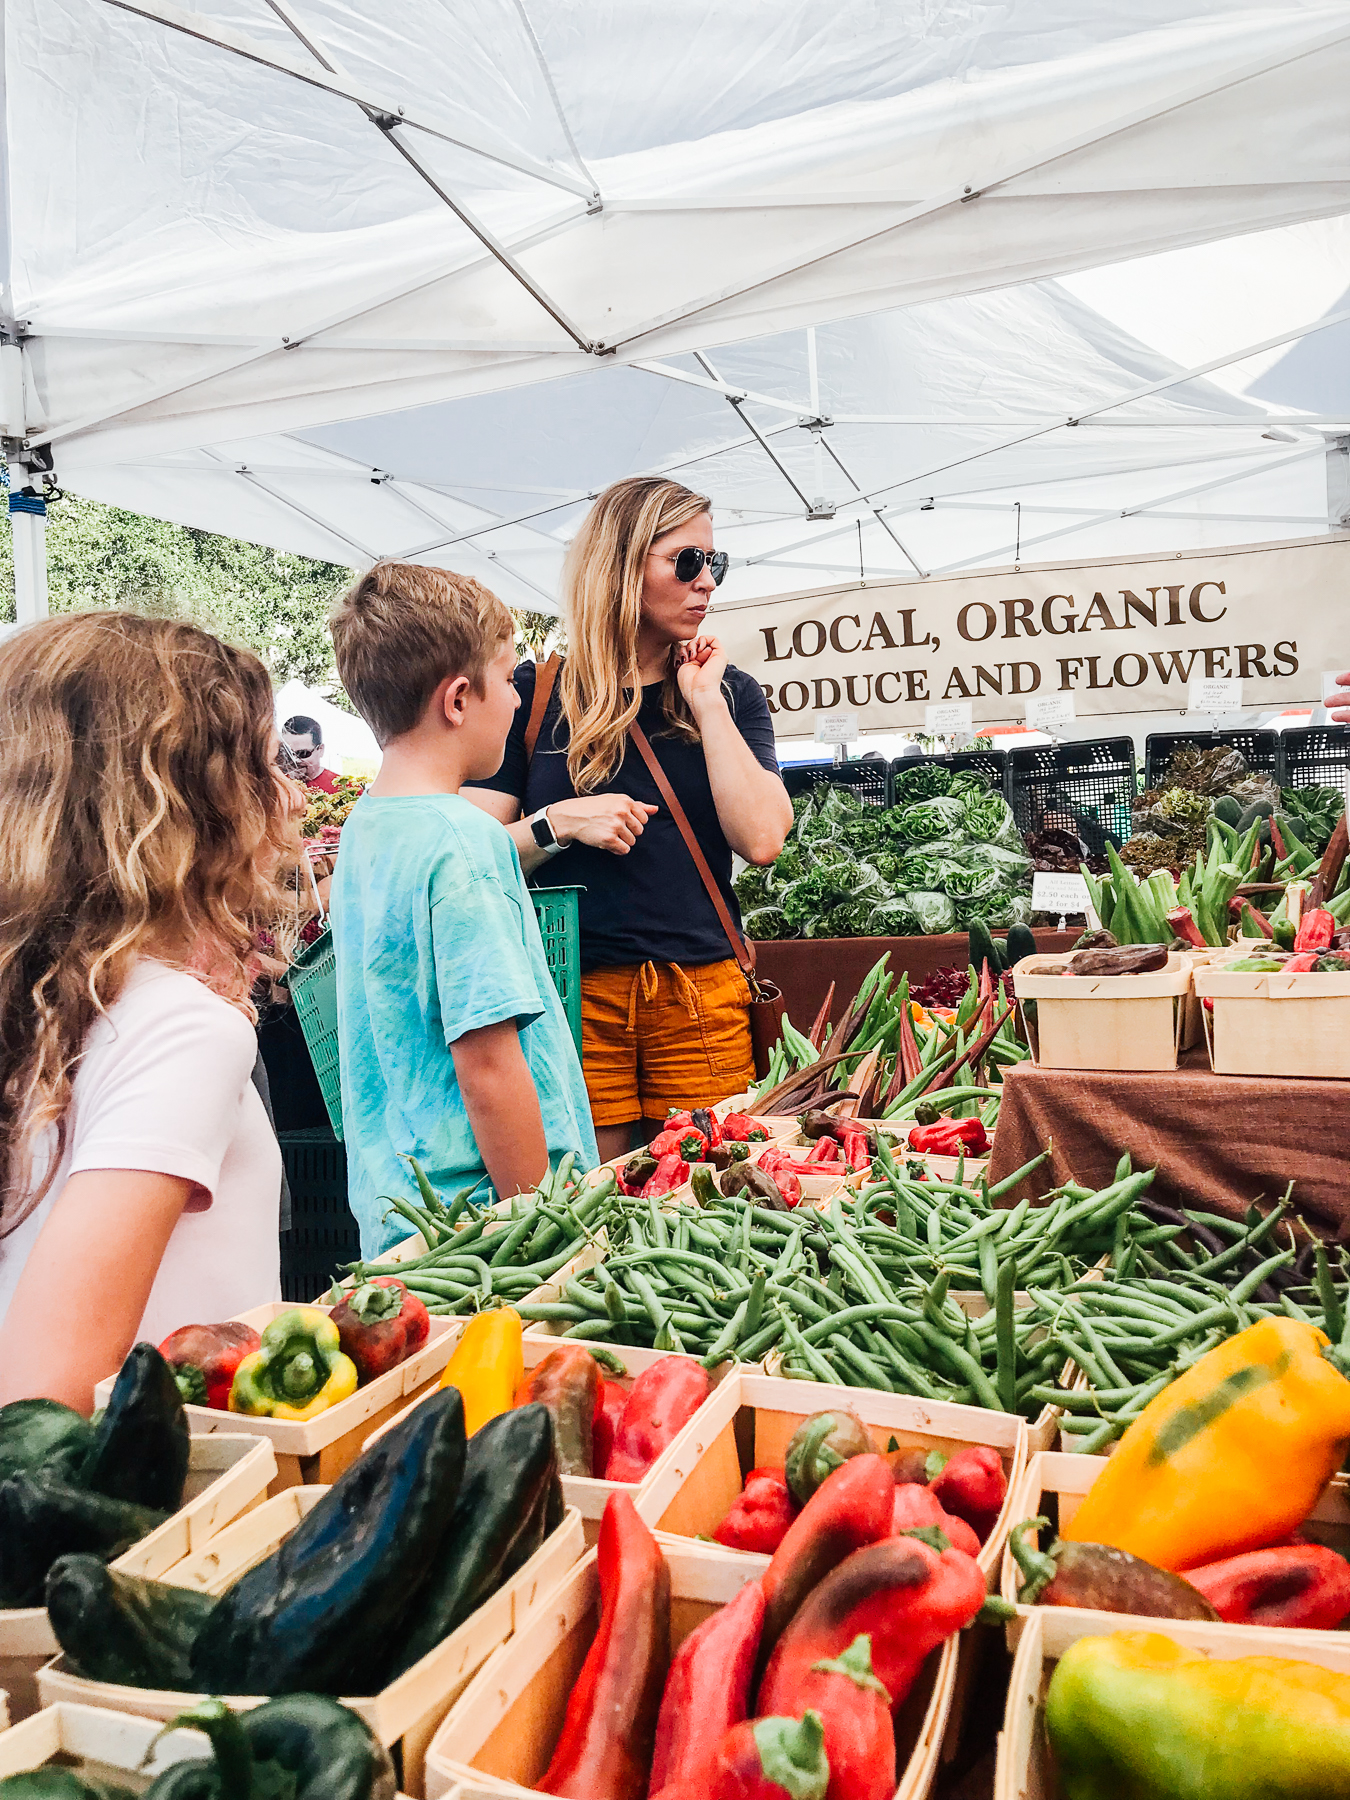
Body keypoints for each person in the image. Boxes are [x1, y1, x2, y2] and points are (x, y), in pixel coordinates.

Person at [0, 613, 303, 1411]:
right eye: (263, 766)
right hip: (171, 1505)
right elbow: (44, 1404)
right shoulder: (180, 1030)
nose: (291, 796)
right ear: (195, 806)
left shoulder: (43, 995)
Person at [465, 476, 792, 1160]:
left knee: (713, 1200)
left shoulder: (728, 691)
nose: (708, 583)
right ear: (620, 563)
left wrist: (706, 706)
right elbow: (468, 852)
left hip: (700, 992)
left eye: (715, 564)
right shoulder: (535, 692)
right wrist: (556, 822)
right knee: (593, 1199)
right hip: (572, 993)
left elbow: (762, 840)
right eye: (688, 561)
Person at [328, 562, 598, 1257]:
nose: (516, 701)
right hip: (484, 1228)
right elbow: (487, 1065)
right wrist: (542, 1230)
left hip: (403, 1217)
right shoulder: (463, 841)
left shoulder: (366, 827)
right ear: (457, 699)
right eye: (509, 680)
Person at [281, 713, 339, 792]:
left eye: (303, 753)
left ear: (320, 750)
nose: (294, 760)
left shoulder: (343, 788)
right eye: (288, 753)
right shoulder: (273, 785)